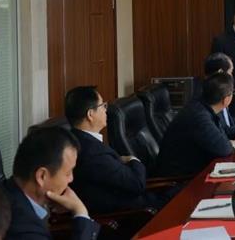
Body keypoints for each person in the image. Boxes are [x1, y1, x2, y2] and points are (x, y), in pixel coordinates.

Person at [64, 86, 170, 214]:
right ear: (90, 114)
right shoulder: (93, 154)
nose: (106, 110)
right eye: (103, 106)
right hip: (136, 213)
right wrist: (133, 159)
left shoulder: (77, 140)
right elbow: (137, 183)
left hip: (134, 202)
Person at [3, 127, 100, 240]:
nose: (71, 179)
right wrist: (80, 211)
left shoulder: (7, 190)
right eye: (68, 173)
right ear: (42, 176)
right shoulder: (24, 230)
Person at [155, 73, 235, 176]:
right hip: (179, 179)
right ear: (226, 100)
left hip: (191, 171)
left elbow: (222, 139)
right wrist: (228, 143)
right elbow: (224, 149)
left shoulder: (200, 106)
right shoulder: (199, 116)